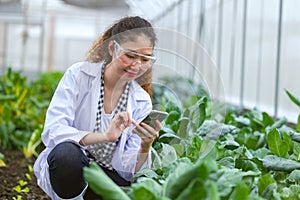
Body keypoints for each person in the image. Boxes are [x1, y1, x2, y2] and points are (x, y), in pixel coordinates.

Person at [34, 16, 162, 200]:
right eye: (130, 56)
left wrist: (145, 146)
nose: (137, 65)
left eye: (145, 59)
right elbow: (53, 131)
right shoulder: (79, 75)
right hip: (74, 168)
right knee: (67, 156)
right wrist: (105, 137)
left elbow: (127, 171)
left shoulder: (141, 100)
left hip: (106, 174)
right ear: (112, 48)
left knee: (133, 187)